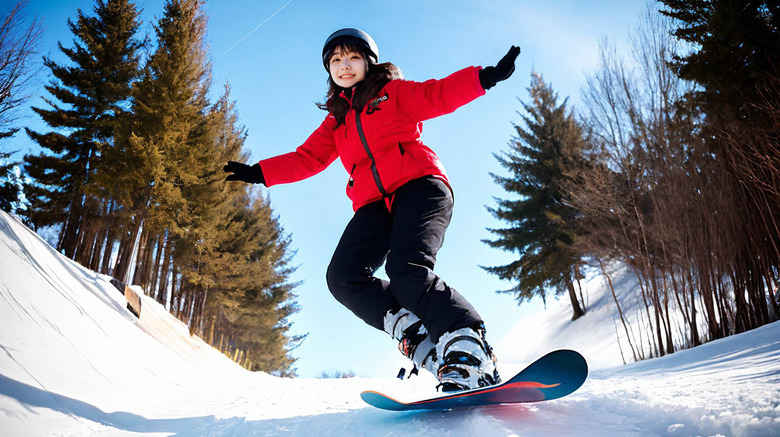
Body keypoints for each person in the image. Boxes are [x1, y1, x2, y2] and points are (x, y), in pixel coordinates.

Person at [224, 28, 519, 392]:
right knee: (342, 277)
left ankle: (470, 349)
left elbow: (437, 94)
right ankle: (417, 335)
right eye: (336, 60)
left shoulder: (392, 93)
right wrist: (260, 172)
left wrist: (484, 77)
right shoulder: (337, 120)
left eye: (353, 57)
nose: (344, 66)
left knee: (406, 271)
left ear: (368, 62)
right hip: (374, 204)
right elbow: (307, 158)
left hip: (420, 187)